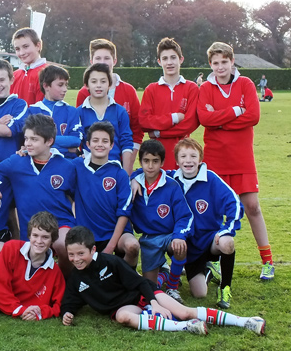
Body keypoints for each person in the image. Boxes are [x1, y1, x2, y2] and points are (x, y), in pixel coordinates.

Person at [60, 225, 266, 336]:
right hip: (123, 308)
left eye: (81, 254)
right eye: (71, 255)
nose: (76, 259)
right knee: (123, 317)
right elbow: (70, 300)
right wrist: (67, 313)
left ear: (93, 250)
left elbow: (140, 282)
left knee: (184, 311)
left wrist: (154, 302)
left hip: (143, 294)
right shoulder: (77, 278)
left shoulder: (111, 262)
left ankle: (246, 321)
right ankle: (186, 327)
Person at [197, 42, 275, 280]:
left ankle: (268, 261)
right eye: (216, 63)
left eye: (224, 62)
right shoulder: (206, 88)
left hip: (241, 157)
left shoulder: (246, 84)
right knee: (216, 212)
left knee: (252, 207)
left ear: (232, 62)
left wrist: (219, 119)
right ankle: (216, 261)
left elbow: (253, 115)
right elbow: (204, 118)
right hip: (215, 158)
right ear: (211, 65)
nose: (220, 67)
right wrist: (235, 111)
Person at [0, 114, 76, 274]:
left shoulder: (66, 166)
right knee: (29, 273)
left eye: (34, 139)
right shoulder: (16, 162)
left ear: (49, 141)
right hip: (30, 230)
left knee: (63, 245)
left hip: (60, 223)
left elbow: (74, 197)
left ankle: (64, 279)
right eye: (26, 138)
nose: (28, 143)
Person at [170, 138, 242, 309]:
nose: (188, 160)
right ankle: (208, 270)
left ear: (200, 159)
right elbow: (146, 173)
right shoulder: (172, 179)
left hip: (210, 240)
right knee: (200, 294)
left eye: (193, 156)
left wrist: (226, 230)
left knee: (227, 242)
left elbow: (235, 203)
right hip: (188, 246)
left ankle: (225, 288)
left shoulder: (211, 179)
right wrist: (135, 179)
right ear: (177, 161)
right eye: (183, 156)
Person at [130, 140, 193, 304]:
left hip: (169, 235)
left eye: (155, 161)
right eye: (146, 161)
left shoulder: (172, 186)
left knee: (179, 247)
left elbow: (185, 216)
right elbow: (128, 176)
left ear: (162, 162)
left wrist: (179, 236)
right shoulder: (134, 183)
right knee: (151, 287)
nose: (150, 166)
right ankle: (165, 271)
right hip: (149, 239)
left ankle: (172, 287)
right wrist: (133, 178)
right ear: (140, 162)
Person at [73, 121, 138, 268]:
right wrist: (24, 152)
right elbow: (51, 162)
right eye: (95, 140)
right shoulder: (77, 166)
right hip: (88, 234)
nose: (100, 144)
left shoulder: (119, 173)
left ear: (111, 145)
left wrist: (111, 246)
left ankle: (128, 279)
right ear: (87, 144)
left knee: (132, 245)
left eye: (105, 141)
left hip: (115, 233)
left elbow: (124, 212)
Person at [76, 38, 142, 171]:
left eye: (107, 58)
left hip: (117, 163)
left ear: (114, 61)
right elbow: (79, 134)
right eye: (98, 58)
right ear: (91, 62)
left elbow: (135, 130)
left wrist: (127, 166)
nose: (103, 62)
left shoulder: (128, 91)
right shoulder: (84, 94)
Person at [139, 37, 199, 170]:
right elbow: (144, 122)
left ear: (181, 59)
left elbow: (189, 124)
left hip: (183, 155)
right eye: (165, 59)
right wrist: (174, 118)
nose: (169, 62)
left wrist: (158, 133)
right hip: (157, 155)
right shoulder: (151, 89)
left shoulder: (191, 88)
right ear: (159, 62)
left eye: (173, 57)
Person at [77, 63, 133, 174]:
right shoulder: (79, 112)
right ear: (86, 85)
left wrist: (126, 175)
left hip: (114, 169)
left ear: (109, 84)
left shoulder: (120, 111)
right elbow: (76, 142)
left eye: (103, 81)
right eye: (94, 81)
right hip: (88, 171)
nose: (98, 85)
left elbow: (126, 143)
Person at [28, 65, 82, 159]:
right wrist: (66, 148)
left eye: (66, 85)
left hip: (66, 162)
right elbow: (31, 142)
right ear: (46, 86)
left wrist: (44, 140)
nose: (65, 89)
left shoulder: (71, 111)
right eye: (60, 85)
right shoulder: (33, 111)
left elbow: (76, 140)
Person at [10, 27, 47, 105]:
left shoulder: (47, 73)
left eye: (26, 46)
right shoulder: (15, 75)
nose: (21, 53)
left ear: (38, 46)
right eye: (17, 49)